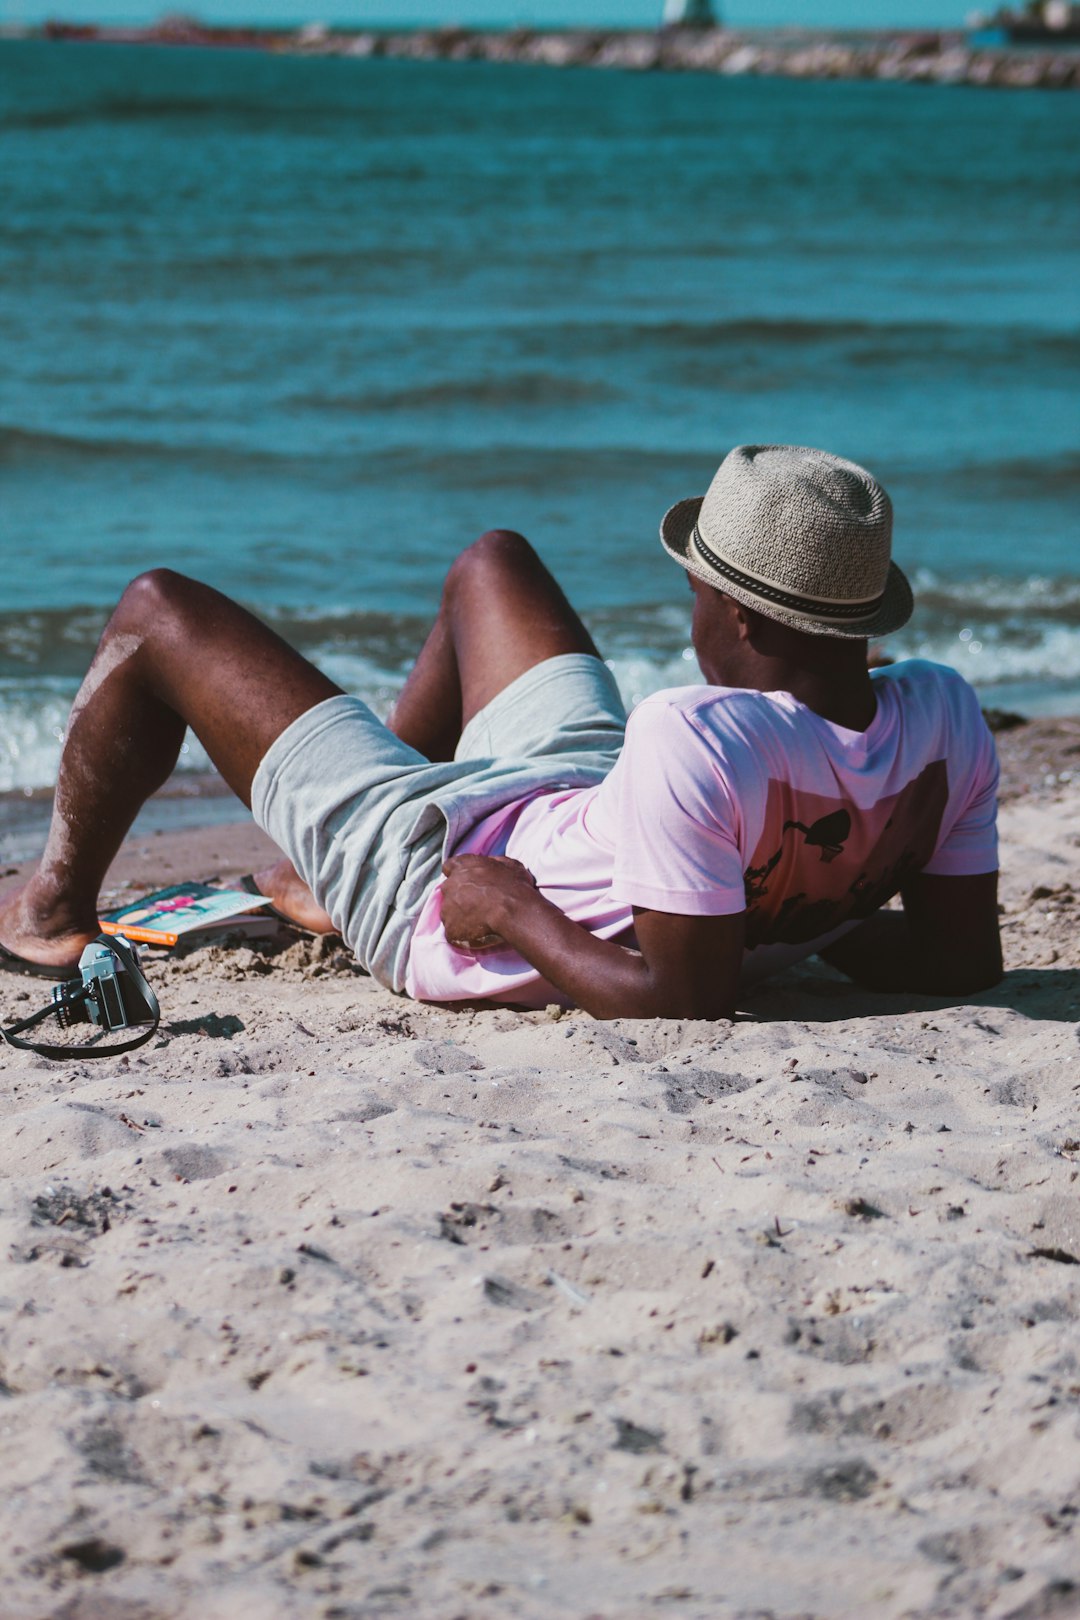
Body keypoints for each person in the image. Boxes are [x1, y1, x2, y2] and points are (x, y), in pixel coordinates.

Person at [0, 444, 1002, 1021]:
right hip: (599, 799)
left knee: (156, 610)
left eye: (694, 586)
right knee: (494, 561)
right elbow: (961, 964)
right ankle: (321, 873)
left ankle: (47, 912)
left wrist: (510, 911)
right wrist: (804, 921)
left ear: (738, 618)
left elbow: (679, 1001)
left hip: (431, 878)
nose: (689, 605)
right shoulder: (946, 716)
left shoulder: (696, 733)